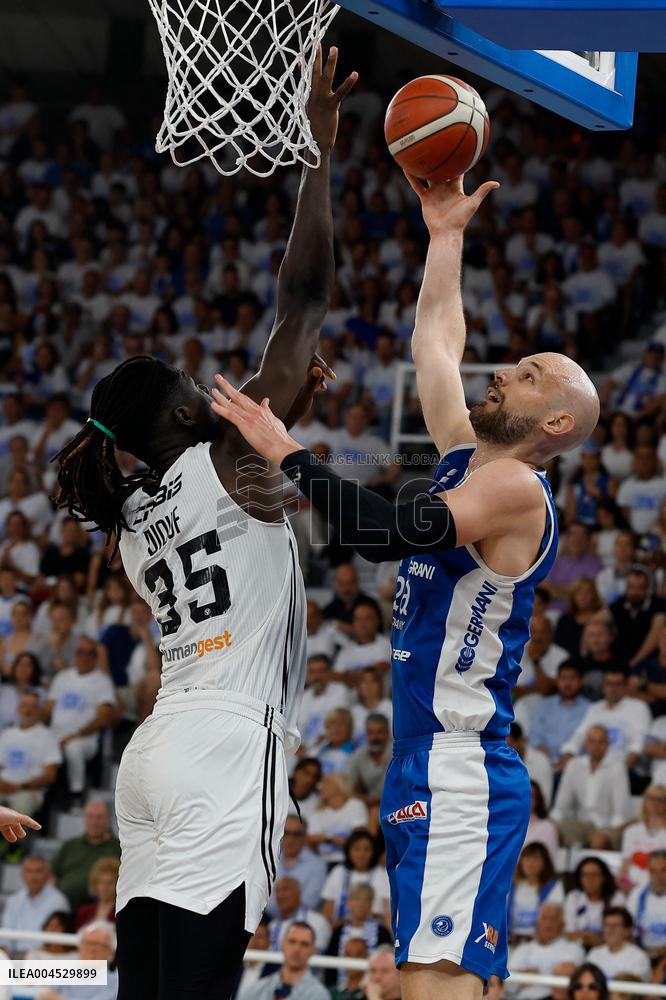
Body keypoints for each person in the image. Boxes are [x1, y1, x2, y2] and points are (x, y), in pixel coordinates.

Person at [211, 171, 601, 999]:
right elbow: (436, 344)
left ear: (556, 423)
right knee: (442, 983)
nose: (504, 373)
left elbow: (388, 534)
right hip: (424, 760)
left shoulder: (516, 491)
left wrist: (288, 452)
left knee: (431, 988)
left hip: (459, 765)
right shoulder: (466, 453)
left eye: (528, 374)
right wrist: (446, 235)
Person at [50, 48, 357, 1000]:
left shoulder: (133, 518)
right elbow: (303, 297)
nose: (215, 387)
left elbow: (227, 497)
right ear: (189, 418)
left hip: (155, 754)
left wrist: (282, 418)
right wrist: (317, 152)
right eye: (199, 388)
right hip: (227, 746)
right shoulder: (226, 453)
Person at [43, 635, 116, 805]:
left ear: (95, 657)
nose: (82, 656)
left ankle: (77, 793)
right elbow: (48, 708)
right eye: (79, 651)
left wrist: (74, 734)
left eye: (88, 652)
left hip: (84, 738)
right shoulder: (63, 677)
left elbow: (103, 718)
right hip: (55, 734)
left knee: (72, 748)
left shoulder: (102, 681)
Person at [551, 725, 632, 848]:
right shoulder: (574, 765)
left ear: (608, 744)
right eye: (592, 741)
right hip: (579, 824)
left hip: (607, 826)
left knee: (598, 841)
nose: (596, 746)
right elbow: (561, 806)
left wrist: (608, 833)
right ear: (586, 744)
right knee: (550, 832)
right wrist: (551, 825)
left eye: (601, 742)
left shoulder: (617, 767)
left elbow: (619, 813)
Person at [51, 799, 121, 911]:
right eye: (90, 816)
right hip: (66, 909)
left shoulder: (119, 847)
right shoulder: (70, 845)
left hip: (103, 911)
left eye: (99, 817)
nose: (94, 822)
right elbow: (52, 876)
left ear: (108, 819)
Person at [0, 690, 60, 816]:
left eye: (33, 707)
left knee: (22, 808)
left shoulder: (48, 737)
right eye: (25, 705)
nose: (28, 710)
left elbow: (51, 775)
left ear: (39, 711)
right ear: (18, 708)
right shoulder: (6, 734)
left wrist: (21, 786)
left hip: (28, 790)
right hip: (3, 785)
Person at [509, 904, 584, 1000]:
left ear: (562, 925)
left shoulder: (574, 949)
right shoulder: (523, 949)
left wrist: (529, 977)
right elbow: (507, 983)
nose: (548, 924)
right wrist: (551, 973)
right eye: (544, 919)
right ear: (537, 923)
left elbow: (569, 980)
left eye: (553, 919)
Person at [240, 921, 330, 1000]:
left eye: (304, 944)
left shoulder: (319, 995)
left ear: (312, 950)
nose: (297, 949)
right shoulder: (257, 989)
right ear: (282, 944)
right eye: (292, 941)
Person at [325, 884, 393, 988]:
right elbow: (330, 966)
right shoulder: (338, 932)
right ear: (349, 902)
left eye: (366, 900)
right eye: (357, 899)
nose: (361, 904)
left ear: (371, 904)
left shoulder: (382, 933)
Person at [0, 854, 70, 954]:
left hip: (43, 957)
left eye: (38, 871)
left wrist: (31, 955)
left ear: (48, 875)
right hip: (12, 955)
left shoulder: (59, 901)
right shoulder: (14, 900)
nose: (33, 876)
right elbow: (6, 934)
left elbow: (56, 941)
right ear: (22, 875)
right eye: (29, 871)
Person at [322, 829, 391, 929]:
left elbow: (388, 913)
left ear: (373, 851)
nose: (361, 854)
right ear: (348, 851)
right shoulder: (338, 872)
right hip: (340, 929)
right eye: (356, 849)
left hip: (373, 929)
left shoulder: (383, 875)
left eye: (366, 849)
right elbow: (327, 911)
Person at [528, 663, 590, 769]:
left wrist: (570, 757)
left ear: (581, 681)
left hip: (576, 765)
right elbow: (534, 734)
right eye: (563, 678)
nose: (567, 683)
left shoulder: (589, 708)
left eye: (572, 678)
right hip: (544, 762)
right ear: (557, 681)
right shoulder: (545, 705)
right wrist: (540, 748)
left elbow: (588, 741)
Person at [39, 920, 119, 1000]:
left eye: (100, 945)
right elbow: (43, 996)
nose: (93, 949)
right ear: (80, 947)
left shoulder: (116, 984)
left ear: (111, 953)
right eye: (89, 943)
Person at [266, 814, 327, 916]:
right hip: (267, 919)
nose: (291, 839)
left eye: (297, 834)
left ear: (305, 837)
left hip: (302, 920)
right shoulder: (269, 860)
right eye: (286, 833)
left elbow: (310, 902)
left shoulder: (317, 865)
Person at [564, 858, 625, 950]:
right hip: (576, 948)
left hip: (608, 949)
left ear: (604, 877)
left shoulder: (616, 898)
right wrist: (588, 938)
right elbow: (569, 933)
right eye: (585, 875)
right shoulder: (573, 897)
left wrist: (597, 940)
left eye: (594, 875)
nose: (589, 879)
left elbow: (619, 933)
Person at [509, 843, 564, 942]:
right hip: (510, 940)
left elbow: (552, 917)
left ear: (544, 863)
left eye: (536, 859)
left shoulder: (554, 886)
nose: (530, 863)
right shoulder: (511, 885)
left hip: (540, 941)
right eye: (527, 858)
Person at [267, 876, 331, 953]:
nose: (280, 895)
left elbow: (317, 957)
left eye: (286, 889)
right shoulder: (272, 926)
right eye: (277, 891)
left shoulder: (319, 922)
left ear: (299, 893)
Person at [620, 786, 666, 891]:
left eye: (660, 800)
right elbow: (624, 866)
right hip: (633, 888)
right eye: (651, 798)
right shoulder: (631, 831)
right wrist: (627, 886)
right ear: (645, 800)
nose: (655, 803)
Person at [587, 907, 651, 981]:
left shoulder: (639, 957)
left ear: (627, 930)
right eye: (607, 925)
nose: (610, 930)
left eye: (616, 925)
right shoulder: (594, 954)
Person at [627, 849, 666, 959]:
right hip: (640, 953)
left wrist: (656, 953)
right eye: (653, 871)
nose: (658, 877)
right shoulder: (637, 894)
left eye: (664, 870)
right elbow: (627, 929)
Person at [75, 856, 119, 930]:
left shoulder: (121, 912)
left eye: (110, 882)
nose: (105, 887)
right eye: (101, 882)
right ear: (95, 884)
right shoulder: (84, 911)